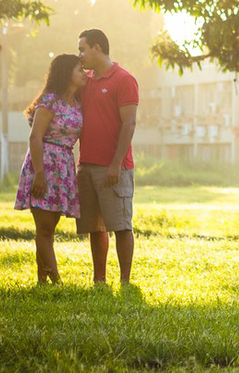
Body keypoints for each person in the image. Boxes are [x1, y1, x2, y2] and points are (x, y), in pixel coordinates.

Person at [14, 53, 85, 284]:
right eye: (79, 70)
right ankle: (56, 281)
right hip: (45, 163)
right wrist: (39, 174)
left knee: (49, 228)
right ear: (67, 74)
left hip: (63, 165)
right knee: (44, 228)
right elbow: (35, 136)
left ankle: (42, 282)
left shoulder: (76, 103)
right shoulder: (50, 101)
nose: (84, 74)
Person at [75, 28, 139, 285]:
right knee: (95, 227)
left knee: (121, 225)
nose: (80, 55)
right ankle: (99, 279)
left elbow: (129, 124)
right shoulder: (84, 81)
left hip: (114, 168)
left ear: (97, 47)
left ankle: (125, 280)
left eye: (83, 49)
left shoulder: (124, 79)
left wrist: (116, 164)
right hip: (87, 165)